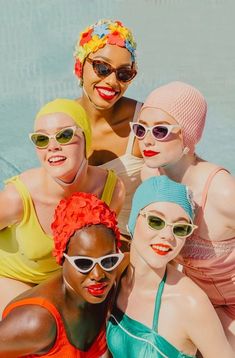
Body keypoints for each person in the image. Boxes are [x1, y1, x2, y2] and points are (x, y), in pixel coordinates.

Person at [131, 81, 235, 348]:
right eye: (140, 129)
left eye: (161, 131)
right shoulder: (151, 175)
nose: (147, 140)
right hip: (200, 301)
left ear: (188, 135)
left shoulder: (222, 192)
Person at [0, 98, 125, 318]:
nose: (52, 146)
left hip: (65, 281)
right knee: (37, 321)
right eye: (41, 139)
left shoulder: (111, 191)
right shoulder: (17, 198)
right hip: (11, 277)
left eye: (64, 135)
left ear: (86, 139)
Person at [107, 176, 234, 357]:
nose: (168, 235)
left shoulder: (190, 303)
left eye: (180, 228)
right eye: (156, 221)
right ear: (133, 221)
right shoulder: (112, 274)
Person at [0, 191, 127, 357]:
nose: (98, 274)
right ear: (61, 257)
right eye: (84, 263)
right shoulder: (37, 321)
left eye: (108, 261)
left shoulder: (110, 288)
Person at [74, 19, 144, 236]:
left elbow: (187, 170)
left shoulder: (143, 124)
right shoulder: (61, 121)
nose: (113, 82)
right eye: (102, 68)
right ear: (80, 65)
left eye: (124, 74)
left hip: (137, 245)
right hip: (79, 249)